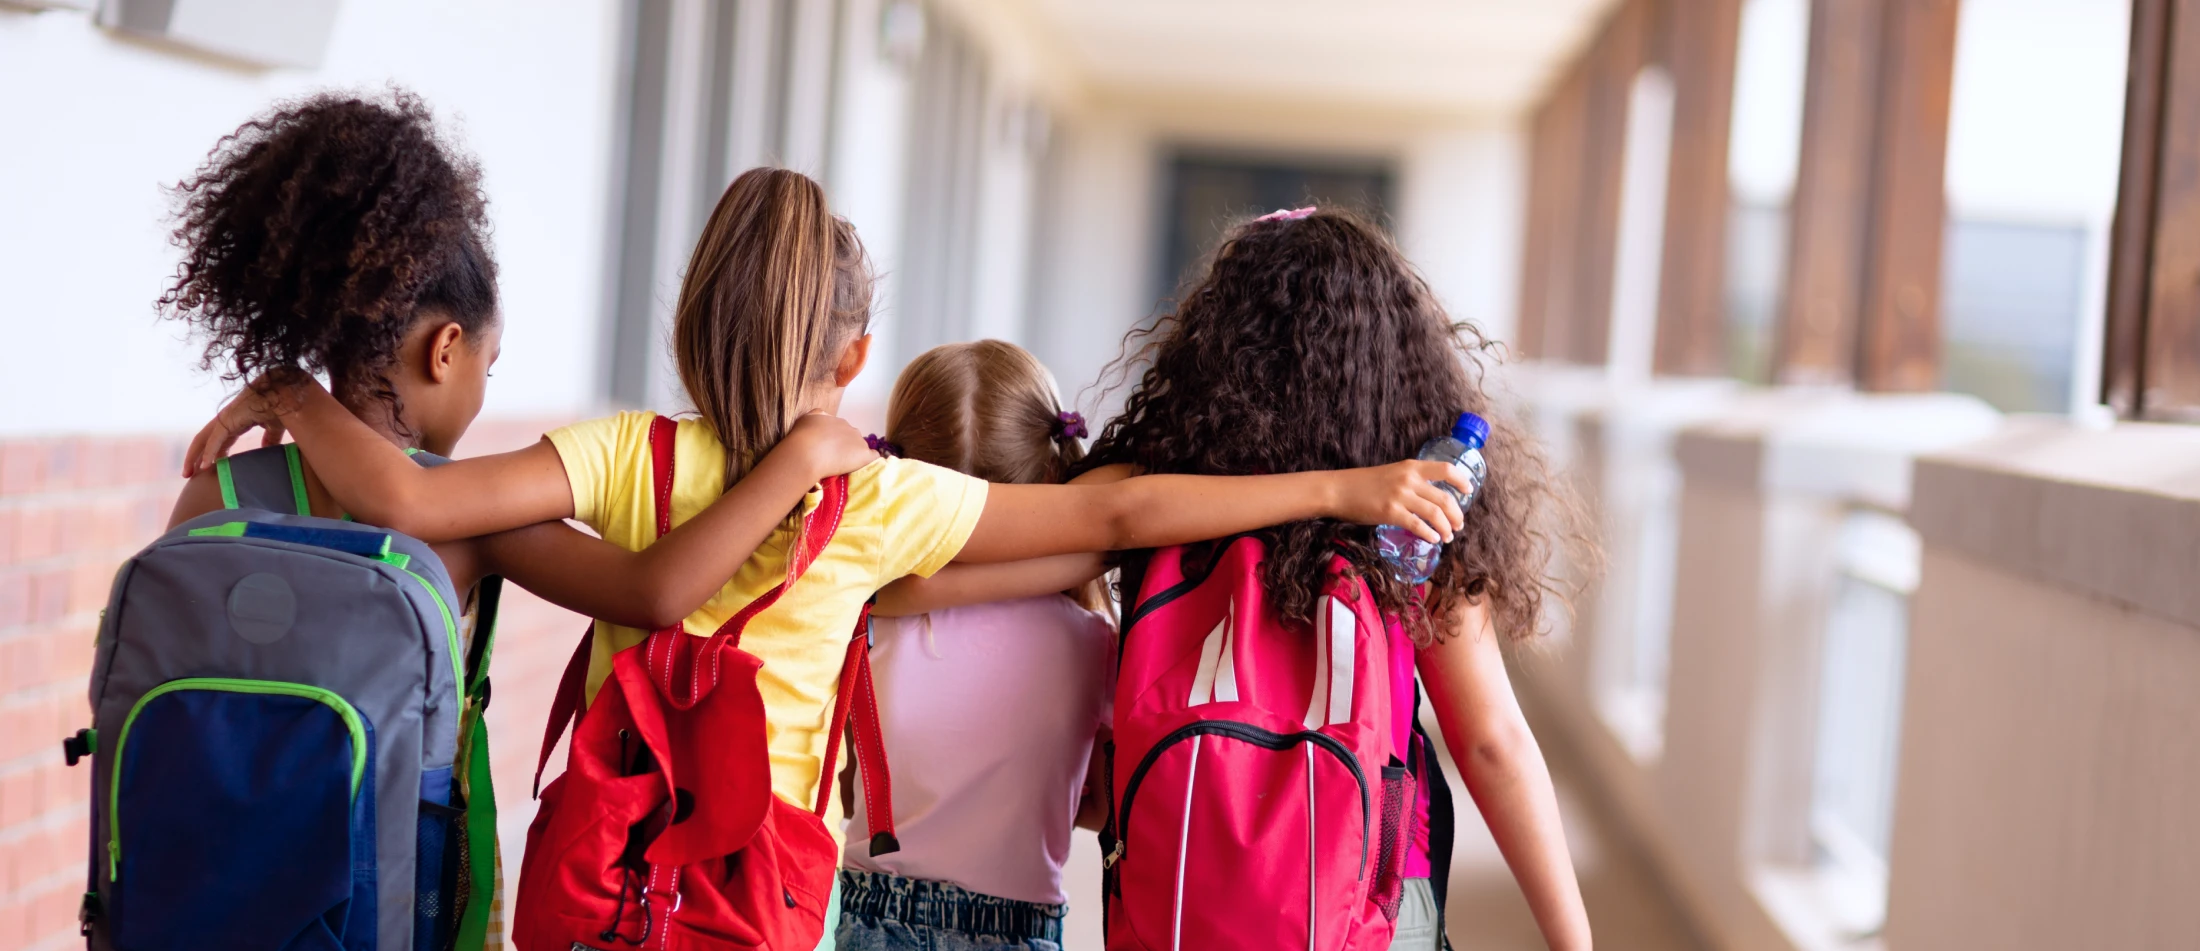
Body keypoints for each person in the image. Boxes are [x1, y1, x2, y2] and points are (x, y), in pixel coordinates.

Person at [184, 167, 1474, 928]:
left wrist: (298, 395)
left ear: (690, 321)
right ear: (855, 358)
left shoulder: (624, 456)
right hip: (757, 911)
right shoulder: (876, 500)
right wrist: (1345, 482)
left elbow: (417, 500)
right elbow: (1119, 516)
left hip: (599, 888)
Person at [153, 97, 881, 949]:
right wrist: (798, 462)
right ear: (445, 350)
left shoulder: (216, 499)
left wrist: (287, 391)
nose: (484, 388)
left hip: (205, 886)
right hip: (390, 897)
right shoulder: (470, 522)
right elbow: (653, 590)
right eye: (489, 366)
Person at [1078, 206, 1596, 951]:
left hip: (1178, 899)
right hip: (1374, 900)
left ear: (1218, 349)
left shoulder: (1160, 499)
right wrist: (1573, 940)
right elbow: (1490, 741)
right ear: (1392, 360)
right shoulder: (1418, 516)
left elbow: (1072, 522)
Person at [827, 341, 1115, 951]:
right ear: (1052, 473)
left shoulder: (865, 614)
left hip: (873, 915)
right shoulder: (1093, 643)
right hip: (1019, 927)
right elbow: (1100, 809)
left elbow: (854, 779)